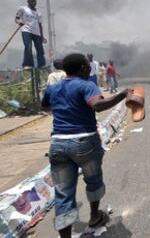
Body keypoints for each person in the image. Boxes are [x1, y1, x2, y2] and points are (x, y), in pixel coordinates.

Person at [41, 53, 131, 238]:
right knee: (93, 180)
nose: (90, 68)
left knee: (63, 193)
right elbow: (97, 105)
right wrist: (122, 94)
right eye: (87, 65)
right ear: (83, 68)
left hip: (58, 143)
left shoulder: (53, 87)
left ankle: (65, 236)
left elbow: (45, 107)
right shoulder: (86, 84)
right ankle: (95, 217)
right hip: (85, 142)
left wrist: (64, 111)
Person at [15, 0, 47, 69]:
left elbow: (40, 25)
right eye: (32, 1)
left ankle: (42, 65)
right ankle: (28, 64)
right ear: (28, 2)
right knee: (28, 47)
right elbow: (17, 18)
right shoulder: (23, 9)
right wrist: (19, 22)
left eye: (35, 1)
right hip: (26, 30)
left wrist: (42, 36)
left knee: (40, 49)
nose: (34, 3)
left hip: (37, 33)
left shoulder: (38, 13)